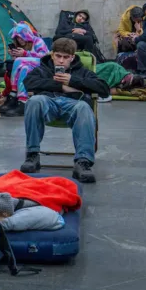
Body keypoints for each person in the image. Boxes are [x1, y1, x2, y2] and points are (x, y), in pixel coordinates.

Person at [20, 38, 110, 183]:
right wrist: (60, 86)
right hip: (48, 102)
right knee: (34, 101)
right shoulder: (43, 69)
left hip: (73, 105)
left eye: (66, 57)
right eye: (58, 56)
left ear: (72, 57)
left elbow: (104, 89)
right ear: (52, 55)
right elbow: (28, 83)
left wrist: (72, 80)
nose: (61, 61)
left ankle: (83, 161)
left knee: (84, 107)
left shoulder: (82, 71)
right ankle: (32, 154)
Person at [0, 22, 49, 117]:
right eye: (17, 38)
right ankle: (22, 101)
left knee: (19, 61)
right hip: (30, 68)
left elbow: (45, 56)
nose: (20, 39)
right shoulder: (21, 47)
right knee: (24, 68)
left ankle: (13, 93)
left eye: (21, 36)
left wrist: (26, 54)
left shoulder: (37, 41)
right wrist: (14, 55)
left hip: (43, 66)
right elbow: (20, 65)